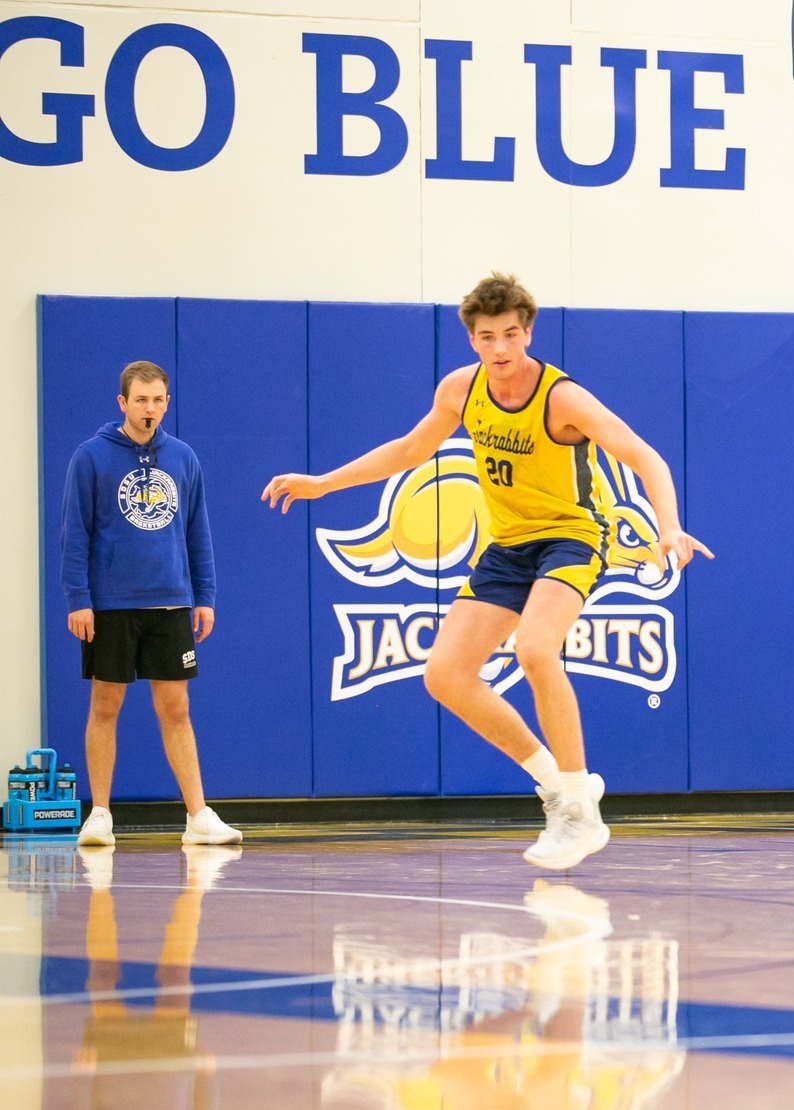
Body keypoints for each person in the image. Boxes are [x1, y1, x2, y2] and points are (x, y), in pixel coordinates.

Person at [261, 273, 711, 871]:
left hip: (572, 537)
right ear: (471, 339)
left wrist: (669, 524)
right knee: (445, 674)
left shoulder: (560, 398)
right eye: (487, 336)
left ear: (528, 333)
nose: (500, 349)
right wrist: (323, 483)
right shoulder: (459, 390)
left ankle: (579, 806)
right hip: (510, 546)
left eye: (511, 335)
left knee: (535, 650)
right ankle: (555, 784)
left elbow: (640, 452)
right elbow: (407, 451)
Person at [60, 360, 240, 848]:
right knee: (105, 703)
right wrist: (79, 598)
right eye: (141, 399)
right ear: (123, 403)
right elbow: (75, 534)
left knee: (176, 706)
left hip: (171, 604)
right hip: (111, 605)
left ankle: (198, 816)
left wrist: (204, 596)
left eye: (159, 399)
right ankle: (99, 813)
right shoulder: (91, 457)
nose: (150, 408)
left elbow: (196, 532)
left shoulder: (183, 458)